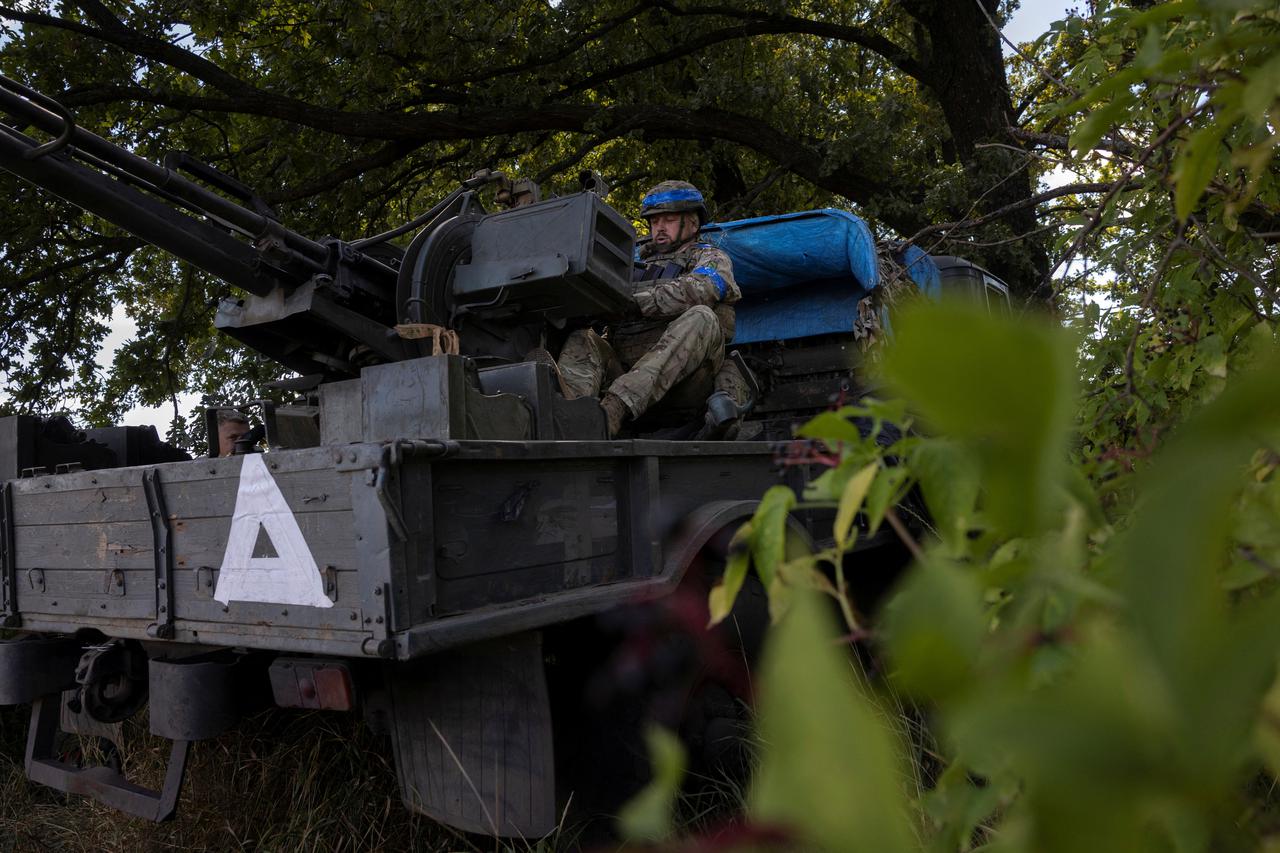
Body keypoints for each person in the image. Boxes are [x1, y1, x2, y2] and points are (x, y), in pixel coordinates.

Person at [555, 180, 751, 437]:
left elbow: (698, 290)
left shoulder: (712, 258)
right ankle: (572, 420)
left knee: (702, 316)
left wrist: (632, 299)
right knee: (584, 338)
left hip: (686, 382)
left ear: (692, 223)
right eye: (654, 221)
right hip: (626, 367)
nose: (659, 227)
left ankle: (613, 410)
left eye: (668, 220)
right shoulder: (629, 262)